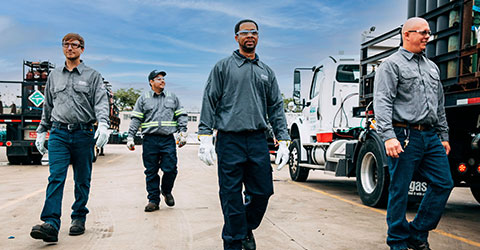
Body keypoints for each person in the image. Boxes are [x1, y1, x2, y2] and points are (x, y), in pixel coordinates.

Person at [198, 19, 290, 250]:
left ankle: (244, 228)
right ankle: (234, 242)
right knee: (231, 195)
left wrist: (284, 139)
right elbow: (210, 100)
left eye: (254, 32)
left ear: (258, 37)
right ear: (236, 37)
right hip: (230, 140)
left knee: (263, 192)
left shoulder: (266, 72)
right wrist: (205, 135)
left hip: (258, 140)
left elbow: (276, 107)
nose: (250, 36)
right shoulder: (223, 67)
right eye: (245, 32)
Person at [373, 17, 454, 250]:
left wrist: (444, 136)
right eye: (422, 32)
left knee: (443, 183)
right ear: (406, 34)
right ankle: (397, 241)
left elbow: (439, 105)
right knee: (400, 189)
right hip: (404, 135)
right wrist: (388, 136)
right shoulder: (392, 64)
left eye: (429, 33)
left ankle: (417, 232)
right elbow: (382, 102)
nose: (427, 37)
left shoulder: (432, 67)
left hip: (430, 136)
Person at [31, 33, 109, 243]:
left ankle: (78, 217)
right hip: (58, 133)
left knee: (82, 179)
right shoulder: (54, 76)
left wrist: (103, 124)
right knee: (56, 177)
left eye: (74, 45)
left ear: (82, 49)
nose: (70, 48)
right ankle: (50, 224)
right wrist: (41, 130)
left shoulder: (93, 76)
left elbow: (101, 102)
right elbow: (48, 106)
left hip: (84, 134)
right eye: (66, 45)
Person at [126, 70, 187, 212]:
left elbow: (181, 115)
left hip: (167, 140)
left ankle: (166, 190)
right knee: (151, 171)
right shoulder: (143, 99)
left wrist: (182, 131)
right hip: (150, 141)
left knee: (171, 169)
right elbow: (136, 119)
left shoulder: (172, 98)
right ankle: (153, 200)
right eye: (158, 78)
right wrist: (130, 136)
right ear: (151, 82)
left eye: (163, 78)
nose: (162, 81)